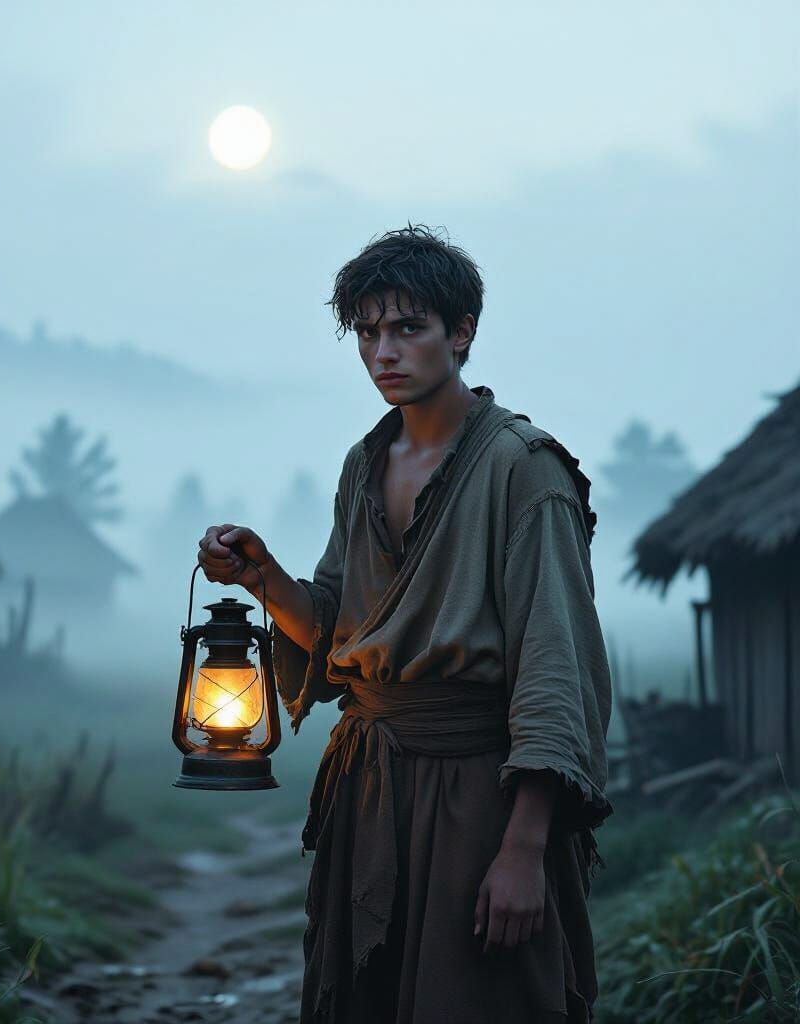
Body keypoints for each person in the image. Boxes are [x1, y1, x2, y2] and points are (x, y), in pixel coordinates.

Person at [197, 224, 612, 1023]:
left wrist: (523, 851)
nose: (383, 351)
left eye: (408, 328)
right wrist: (262, 576)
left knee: (475, 999)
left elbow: (556, 669)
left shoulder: (524, 471)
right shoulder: (365, 462)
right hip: (371, 786)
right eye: (367, 331)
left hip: (477, 795)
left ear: (462, 334)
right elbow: (336, 630)